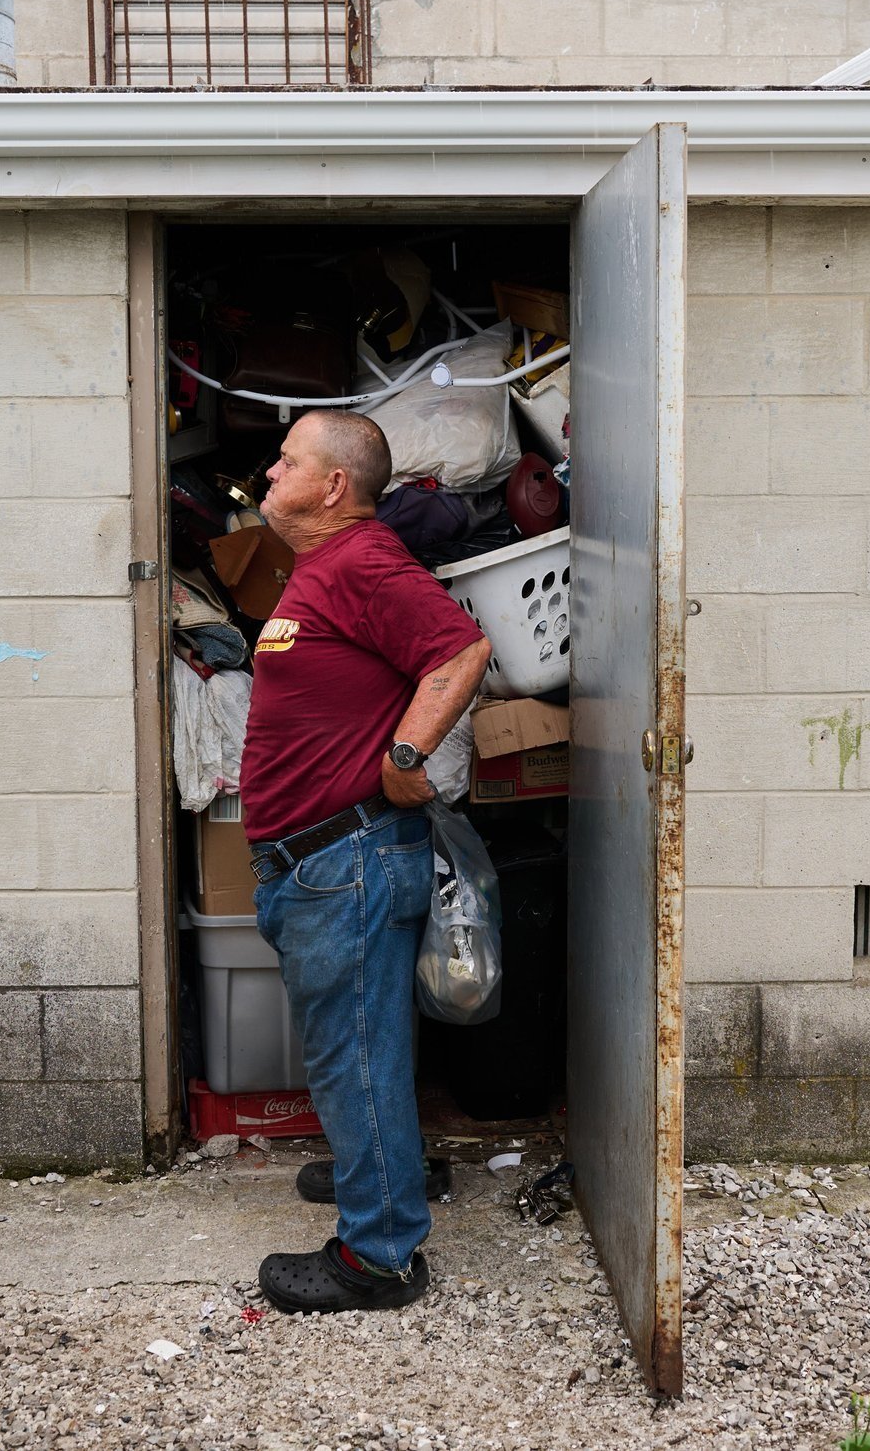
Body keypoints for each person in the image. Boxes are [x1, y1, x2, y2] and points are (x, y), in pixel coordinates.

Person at [239, 408, 491, 1313]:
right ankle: (375, 1170)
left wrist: (407, 755)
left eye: (286, 460)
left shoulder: (363, 560)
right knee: (363, 1043)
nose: (268, 473)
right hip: (320, 862)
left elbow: (460, 649)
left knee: (354, 1052)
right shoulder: (326, 569)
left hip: (346, 855)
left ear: (333, 485)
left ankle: (379, 1255)